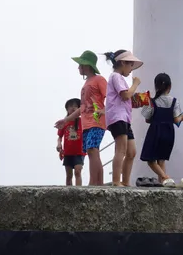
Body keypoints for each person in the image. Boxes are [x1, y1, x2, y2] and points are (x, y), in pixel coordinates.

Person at [56, 50, 107, 186]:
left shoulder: (99, 80)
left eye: (80, 64)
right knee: (92, 151)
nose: (78, 67)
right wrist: (65, 120)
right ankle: (98, 183)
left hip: (97, 121)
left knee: (92, 149)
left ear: (87, 66)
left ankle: (94, 183)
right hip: (86, 123)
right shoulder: (85, 85)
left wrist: (104, 110)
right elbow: (82, 107)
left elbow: (111, 97)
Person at [103, 49, 143, 187]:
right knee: (121, 149)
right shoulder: (116, 76)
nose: (131, 69)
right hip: (118, 117)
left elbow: (126, 97)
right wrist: (135, 84)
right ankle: (116, 181)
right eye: (130, 65)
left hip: (124, 118)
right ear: (122, 63)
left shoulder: (118, 78)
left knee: (131, 152)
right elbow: (125, 95)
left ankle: (125, 182)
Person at [140, 73, 183, 186]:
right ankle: (164, 183)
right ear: (169, 86)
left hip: (155, 131)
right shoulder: (174, 101)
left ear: (155, 86)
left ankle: (165, 177)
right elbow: (176, 120)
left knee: (150, 160)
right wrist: (182, 117)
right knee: (161, 159)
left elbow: (147, 119)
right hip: (169, 132)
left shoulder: (151, 101)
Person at [57, 98, 85, 186]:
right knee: (69, 175)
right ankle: (69, 194)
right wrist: (59, 144)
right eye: (70, 106)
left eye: (75, 106)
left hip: (79, 152)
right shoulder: (64, 123)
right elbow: (59, 136)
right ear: (67, 109)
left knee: (77, 172)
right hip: (68, 152)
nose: (73, 108)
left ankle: (79, 192)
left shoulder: (82, 121)